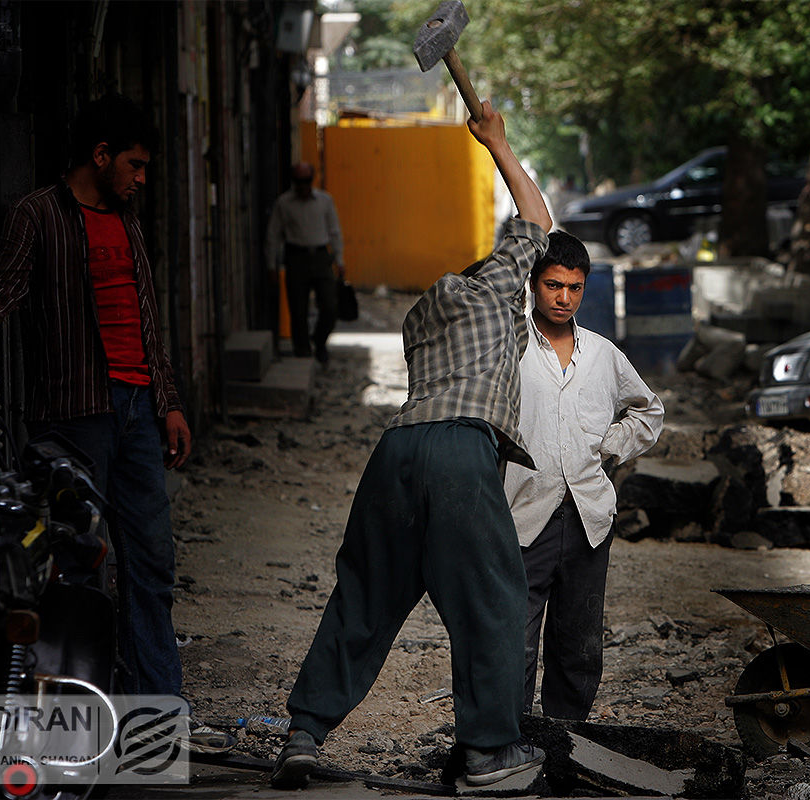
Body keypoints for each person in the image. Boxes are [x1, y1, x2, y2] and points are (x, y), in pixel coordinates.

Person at [269, 100, 552, 790]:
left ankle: (304, 734)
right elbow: (537, 222)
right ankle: (489, 753)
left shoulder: (422, 319)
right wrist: (497, 143)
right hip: (459, 453)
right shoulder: (489, 291)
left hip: (395, 453)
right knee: (492, 598)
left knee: (363, 596)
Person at [0, 93, 235, 754]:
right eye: (133, 165)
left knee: (152, 565)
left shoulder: (128, 220)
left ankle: (158, 723)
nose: (141, 178)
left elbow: (146, 319)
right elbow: (4, 301)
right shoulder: (36, 214)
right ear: (101, 155)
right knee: (76, 569)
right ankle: (68, 730)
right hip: (76, 416)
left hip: (137, 415)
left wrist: (168, 401)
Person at [505, 232, 664, 720]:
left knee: (578, 644)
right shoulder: (510, 347)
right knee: (513, 643)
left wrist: (608, 444)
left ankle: (565, 741)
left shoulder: (602, 354)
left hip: (588, 519)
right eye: (553, 285)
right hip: (521, 517)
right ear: (533, 285)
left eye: (574, 288)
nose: (563, 298)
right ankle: (507, 742)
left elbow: (649, 412)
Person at [266, 162, 346, 364]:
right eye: (299, 181)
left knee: (330, 305)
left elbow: (334, 230)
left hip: (320, 256)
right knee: (298, 308)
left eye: (306, 181)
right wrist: (272, 265)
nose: (303, 186)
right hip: (296, 257)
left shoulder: (324, 201)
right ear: (293, 182)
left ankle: (319, 342)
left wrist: (339, 259)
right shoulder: (284, 203)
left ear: (312, 180)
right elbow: (273, 236)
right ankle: (302, 352)